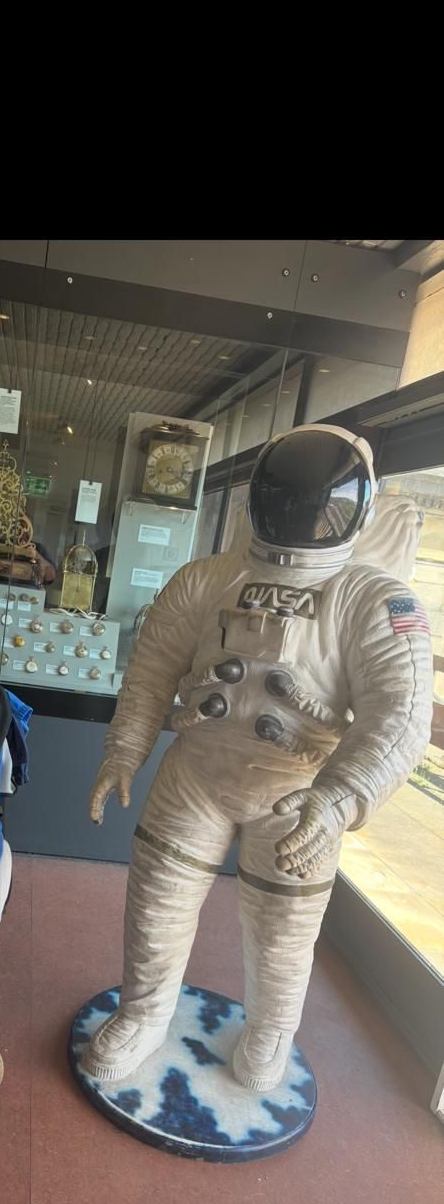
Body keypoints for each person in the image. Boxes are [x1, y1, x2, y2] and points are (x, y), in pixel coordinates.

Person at [84, 424, 433, 1092]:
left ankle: (270, 1035)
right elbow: (153, 666)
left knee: (281, 932)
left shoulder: (374, 601)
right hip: (199, 772)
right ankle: (144, 1013)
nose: (302, 515)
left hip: (298, 792)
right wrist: (124, 750)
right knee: (157, 903)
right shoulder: (209, 579)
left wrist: (338, 799)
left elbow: (402, 713)